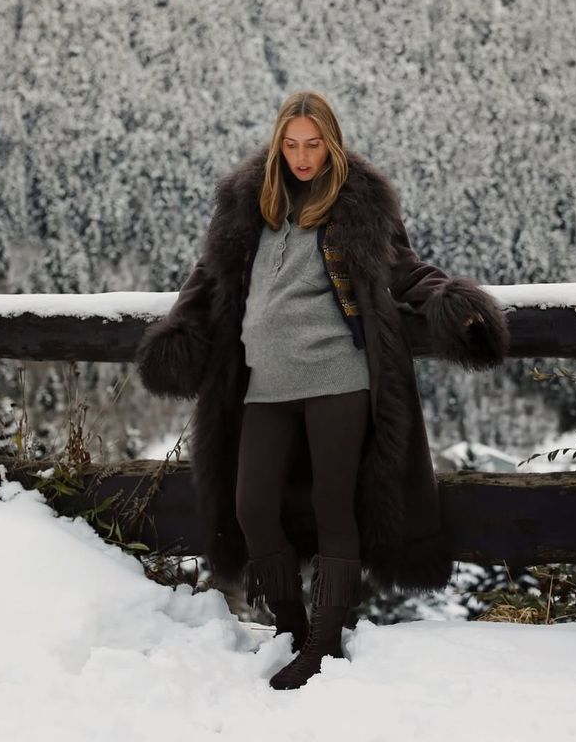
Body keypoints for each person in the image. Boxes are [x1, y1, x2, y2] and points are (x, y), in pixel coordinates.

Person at [135, 90, 510, 690]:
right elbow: (207, 280)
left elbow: (405, 270)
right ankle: (293, 626)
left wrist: (452, 304)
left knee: (337, 507)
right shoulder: (245, 205)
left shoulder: (358, 204)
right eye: (292, 144)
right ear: (277, 144)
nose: (302, 156)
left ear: (329, 144)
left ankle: (322, 646)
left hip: (338, 377)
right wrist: (179, 331)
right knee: (251, 506)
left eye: (313, 145)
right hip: (264, 383)